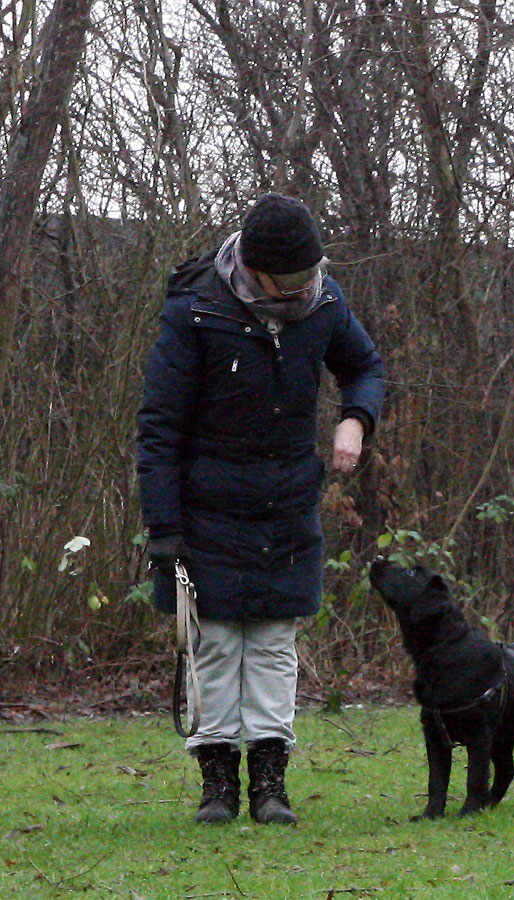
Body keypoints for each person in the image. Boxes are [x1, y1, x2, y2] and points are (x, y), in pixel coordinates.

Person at [137, 193, 385, 825]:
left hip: (287, 502)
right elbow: (160, 426)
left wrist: (355, 421)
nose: (306, 286)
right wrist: (162, 526)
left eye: (311, 272)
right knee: (214, 643)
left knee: (275, 642)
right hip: (204, 507)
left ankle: (270, 786)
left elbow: (364, 367)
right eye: (294, 278)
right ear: (255, 266)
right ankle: (217, 786)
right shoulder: (194, 310)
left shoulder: (325, 303)